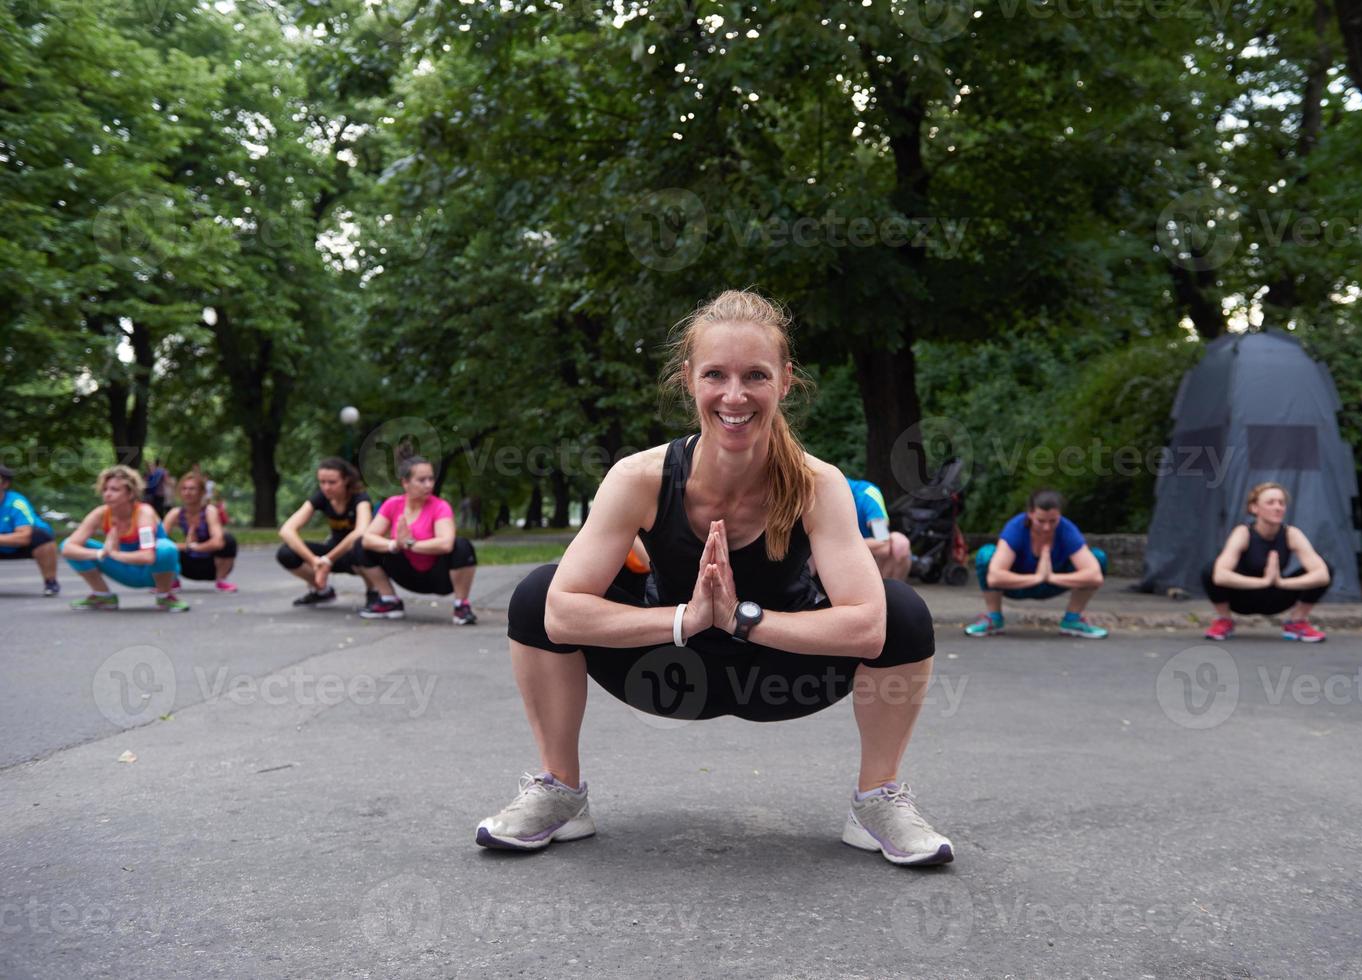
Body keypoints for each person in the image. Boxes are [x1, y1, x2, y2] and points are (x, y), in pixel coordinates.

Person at [476, 289, 951, 866]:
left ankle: (877, 800)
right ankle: (560, 792)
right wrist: (690, 618)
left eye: (755, 374)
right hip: (667, 671)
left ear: (784, 380)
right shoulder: (639, 478)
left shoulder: (817, 485)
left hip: (782, 673)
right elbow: (559, 613)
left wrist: (740, 619)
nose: (734, 395)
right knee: (535, 593)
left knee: (901, 610)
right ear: (688, 380)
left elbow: (870, 628)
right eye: (715, 374)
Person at [964, 489, 1109, 639]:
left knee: (1098, 557)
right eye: (1041, 521)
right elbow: (994, 577)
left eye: (1053, 521)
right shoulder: (1016, 528)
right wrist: (1037, 577)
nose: (1047, 527)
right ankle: (994, 619)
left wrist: (1050, 577)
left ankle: (1072, 620)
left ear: (1060, 515)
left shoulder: (1067, 529)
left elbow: (1095, 575)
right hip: (1016, 585)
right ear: (1030, 514)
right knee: (986, 555)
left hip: (1054, 583)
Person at [1201, 482, 1332, 642]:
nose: (1278, 507)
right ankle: (1224, 620)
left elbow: (1322, 575)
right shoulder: (1243, 533)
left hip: (1276, 597)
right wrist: (1263, 582)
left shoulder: (1292, 534)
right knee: (1210, 569)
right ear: (1254, 508)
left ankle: (1297, 622)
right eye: (1270, 502)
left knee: (1326, 567)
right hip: (1243, 598)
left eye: (1281, 503)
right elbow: (1220, 576)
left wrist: (1281, 583)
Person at [358, 456, 479, 625]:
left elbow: (446, 543)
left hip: (439, 578)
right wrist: (394, 545)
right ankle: (389, 600)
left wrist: (409, 544)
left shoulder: (440, 506)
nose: (429, 484)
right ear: (405, 483)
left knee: (462, 546)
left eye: (431, 479)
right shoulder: (393, 504)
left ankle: (461, 606)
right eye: (422, 480)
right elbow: (367, 539)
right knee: (360, 546)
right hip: (406, 574)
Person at [61, 465, 187, 611]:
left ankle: (165, 596)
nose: (107, 494)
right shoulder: (100, 513)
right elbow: (68, 547)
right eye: (105, 489)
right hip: (125, 571)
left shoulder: (144, 513)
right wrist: (100, 553)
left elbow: (148, 557)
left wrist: (114, 554)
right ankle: (102, 595)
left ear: (130, 494)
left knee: (167, 548)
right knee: (68, 545)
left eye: (114, 490)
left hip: (153, 573)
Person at [276, 458, 373, 607]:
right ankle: (322, 591)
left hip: (355, 555)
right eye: (322, 482)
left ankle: (375, 593)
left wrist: (328, 559)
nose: (326, 487)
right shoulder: (321, 497)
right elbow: (287, 530)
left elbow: (361, 531)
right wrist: (315, 561)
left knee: (362, 545)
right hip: (332, 553)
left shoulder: (360, 498)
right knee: (286, 552)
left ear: (346, 480)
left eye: (332, 482)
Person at [162, 470, 238, 592]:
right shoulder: (175, 513)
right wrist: (184, 546)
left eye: (192, 489)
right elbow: (158, 542)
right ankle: (171, 581)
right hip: (186, 567)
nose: (187, 492)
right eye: (184, 489)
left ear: (202, 492)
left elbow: (218, 542)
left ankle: (221, 580)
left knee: (228, 539)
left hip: (210, 566)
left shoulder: (209, 511)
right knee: (163, 545)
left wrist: (193, 546)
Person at [0, 463, 61, 596]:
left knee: (42, 537)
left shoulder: (16, 503)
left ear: (5, 484)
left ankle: (50, 581)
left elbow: (24, 536)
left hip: (23, 546)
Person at [847, 476, 912, 580]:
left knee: (900, 543)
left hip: (865, 557)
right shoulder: (819, 496)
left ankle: (888, 591)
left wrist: (842, 544)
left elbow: (883, 542)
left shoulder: (867, 494)